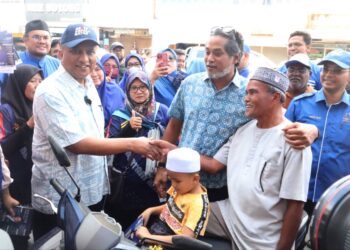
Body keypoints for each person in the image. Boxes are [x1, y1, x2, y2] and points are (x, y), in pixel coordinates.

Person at [153, 26, 319, 203]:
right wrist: (163, 166)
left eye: (217, 53)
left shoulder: (250, 93)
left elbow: (277, 121)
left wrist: (312, 129)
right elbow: (174, 125)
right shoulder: (189, 84)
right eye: (207, 52)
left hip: (221, 190)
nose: (209, 59)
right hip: (180, 179)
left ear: (237, 57)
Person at [31, 23, 161, 241]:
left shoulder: (87, 81)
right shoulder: (50, 91)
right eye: (76, 51)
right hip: (60, 199)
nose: (84, 59)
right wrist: (133, 143)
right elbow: (77, 144)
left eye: (90, 51)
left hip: (91, 191)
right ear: (61, 51)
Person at [200, 67, 312, 249]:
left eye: (253, 93)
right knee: (173, 213)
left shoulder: (293, 139)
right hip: (228, 217)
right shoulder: (243, 131)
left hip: (263, 239)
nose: (246, 98)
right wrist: (172, 152)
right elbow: (213, 165)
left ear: (275, 97)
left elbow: (295, 205)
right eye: (246, 93)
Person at [285, 49, 350, 218]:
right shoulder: (299, 104)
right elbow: (280, 145)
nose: (329, 74)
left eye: (337, 70)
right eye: (326, 69)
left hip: (336, 199)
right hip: (296, 193)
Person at [104, 70, 169, 229]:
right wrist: (129, 128)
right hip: (127, 186)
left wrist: (163, 167)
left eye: (143, 87)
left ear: (150, 89)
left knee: (150, 227)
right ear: (127, 91)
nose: (139, 91)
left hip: (154, 183)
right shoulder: (120, 115)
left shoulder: (162, 111)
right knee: (124, 227)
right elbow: (109, 145)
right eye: (134, 88)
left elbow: (171, 141)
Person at [136, 147, 210, 244]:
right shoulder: (181, 187)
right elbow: (170, 207)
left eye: (177, 181)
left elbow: (185, 240)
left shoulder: (198, 204)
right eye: (171, 179)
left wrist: (148, 237)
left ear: (195, 179)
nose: (173, 185)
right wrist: (151, 210)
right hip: (156, 232)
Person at [0, 64, 43, 206]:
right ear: (19, 83)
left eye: (40, 81)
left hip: (36, 174)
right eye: (32, 81)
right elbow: (3, 148)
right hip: (14, 179)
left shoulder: (40, 105)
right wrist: (28, 126)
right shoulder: (6, 110)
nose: (38, 85)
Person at [90, 59, 125, 127]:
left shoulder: (116, 91)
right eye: (90, 71)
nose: (94, 74)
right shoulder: (80, 94)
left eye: (97, 69)